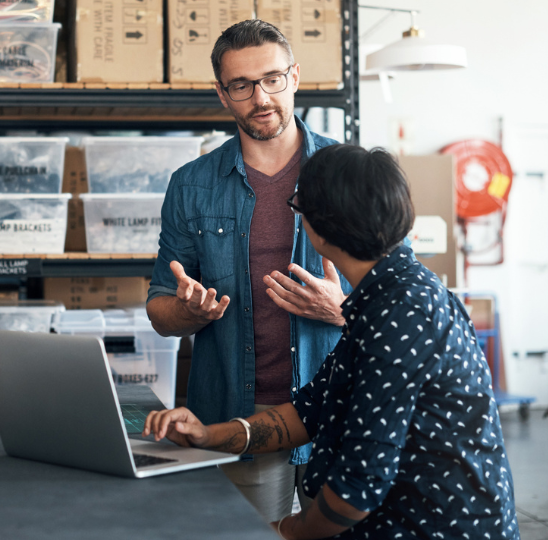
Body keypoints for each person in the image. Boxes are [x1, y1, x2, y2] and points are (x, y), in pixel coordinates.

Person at [144, 144, 520, 540]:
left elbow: (357, 488)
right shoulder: (383, 297)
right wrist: (209, 434)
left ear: (319, 228)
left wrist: (281, 531)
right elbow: (311, 410)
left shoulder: (400, 314)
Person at [146, 20, 353, 522]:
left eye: (273, 79)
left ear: (295, 77)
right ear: (222, 94)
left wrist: (341, 309)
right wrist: (188, 312)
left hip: (343, 413)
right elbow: (158, 310)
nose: (261, 97)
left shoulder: (352, 171)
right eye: (242, 85)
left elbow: (411, 301)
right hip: (238, 418)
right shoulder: (191, 185)